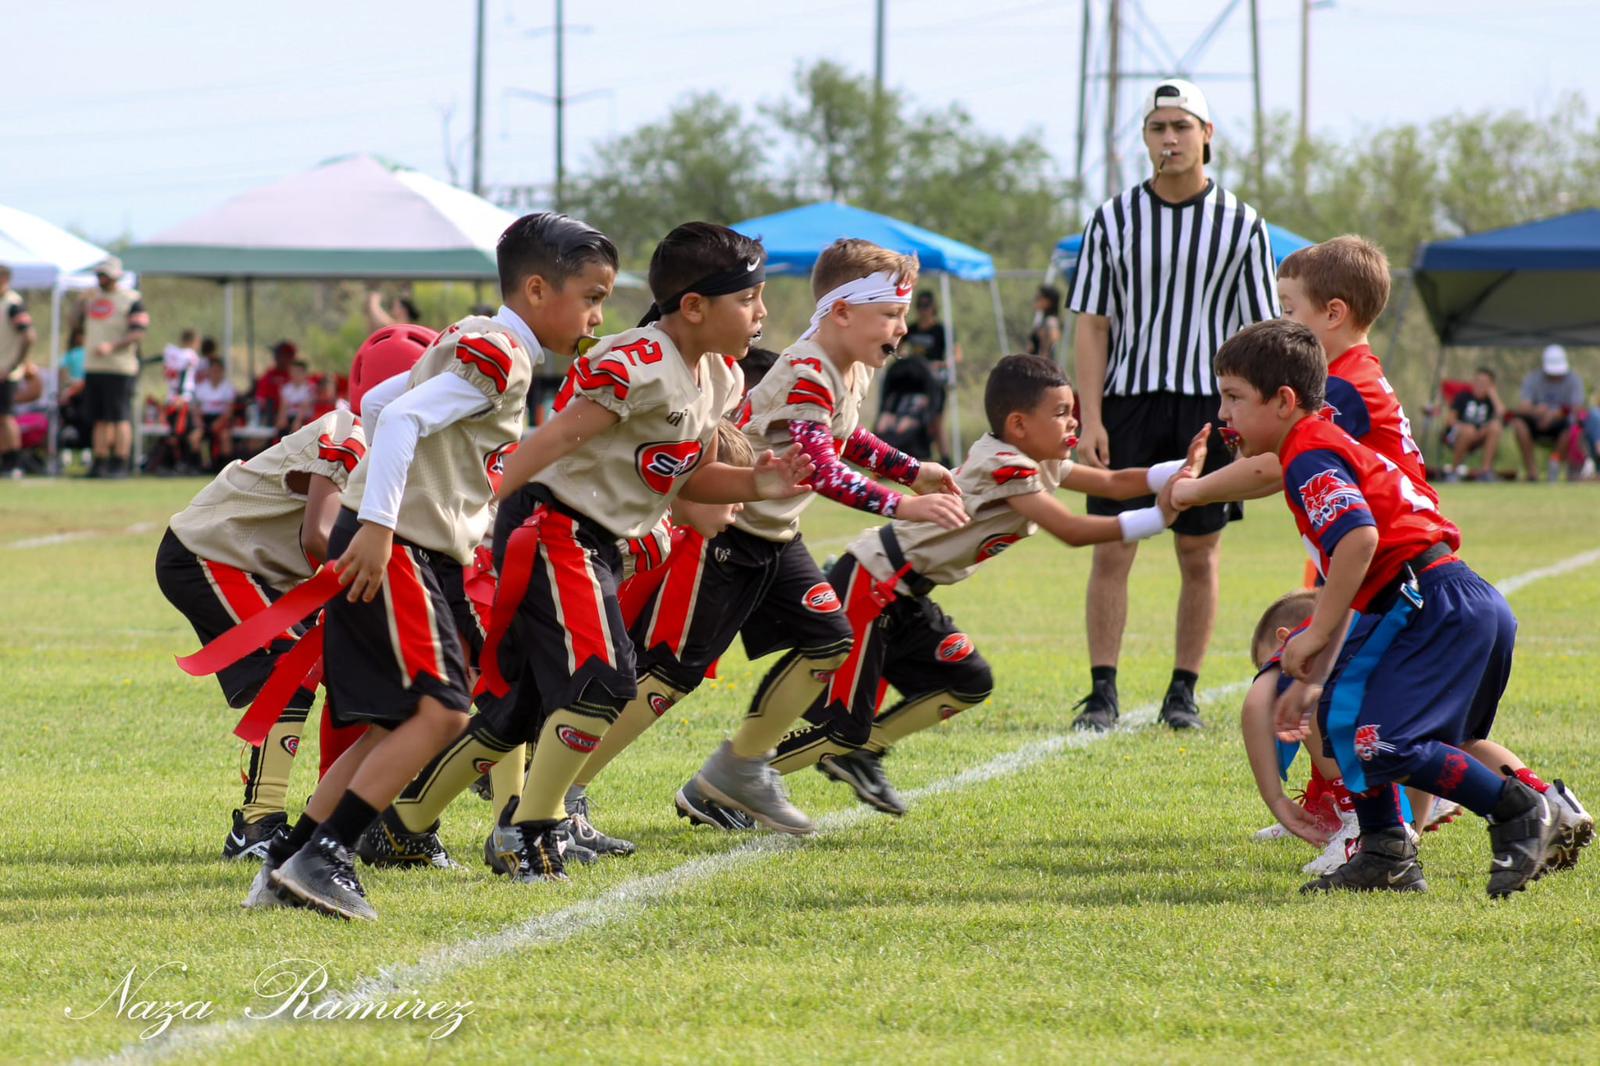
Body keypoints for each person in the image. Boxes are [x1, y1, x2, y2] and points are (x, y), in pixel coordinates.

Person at [252, 213, 620, 920]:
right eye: (592, 297)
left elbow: (378, 401)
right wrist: (381, 522)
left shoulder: (477, 335)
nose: (597, 317)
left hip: (403, 539)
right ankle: (326, 856)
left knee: (392, 723)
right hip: (400, 545)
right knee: (444, 711)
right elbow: (399, 420)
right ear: (537, 290)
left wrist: (394, 502)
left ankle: (286, 863)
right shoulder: (503, 354)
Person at [564, 240, 967, 839]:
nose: (902, 328)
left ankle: (734, 772)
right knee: (668, 676)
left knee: (830, 642)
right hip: (725, 532)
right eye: (890, 314)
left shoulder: (848, 368)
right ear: (842, 312)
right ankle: (563, 793)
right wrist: (905, 503)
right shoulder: (807, 370)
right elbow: (822, 467)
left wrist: (913, 470)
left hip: (775, 537)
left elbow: (847, 437)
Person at [469, 221, 814, 885]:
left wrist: (760, 482)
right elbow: (552, 441)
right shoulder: (639, 362)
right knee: (601, 680)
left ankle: (462, 821)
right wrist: (478, 507)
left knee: (555, 693)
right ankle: (529, 829)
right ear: (695, 306)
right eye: (748, 299)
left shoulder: (720, 377)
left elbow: (688, 479)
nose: (763, 313)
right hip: (553, 521)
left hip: (601, 538)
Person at [1214, 319, 1567, 898]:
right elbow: (1359, 569)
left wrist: (1316, 634)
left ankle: (1519, 808)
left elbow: (1358, 540)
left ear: (1282, 401)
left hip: (1429, 600)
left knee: (1383, 739)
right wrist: (1320, 670)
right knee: (1340, 716)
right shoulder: (1316, 440)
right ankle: (1386, 852)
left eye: (1233, 397)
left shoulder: (1306, 452)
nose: (1223, 414)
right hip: (1439, 596)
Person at [772, 355, 1204, 813]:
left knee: (968, 680)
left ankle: (864, 751)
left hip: (904, 592)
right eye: (1061, 412)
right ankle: (747, 775)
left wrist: (1184, 468)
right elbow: (1072, 531)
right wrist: (1159, 517)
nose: (1073, 421)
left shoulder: (1038, 459)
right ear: (1019, 424)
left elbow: (1115, 483)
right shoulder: (1006, 464)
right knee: (839, 726)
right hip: (874, 581)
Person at [158, 325, 428, 861]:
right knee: (289, 671)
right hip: (212, 553)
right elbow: (319, 537)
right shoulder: (349, 432)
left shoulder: (394, 445)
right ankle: (256, 827)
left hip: (256, 568)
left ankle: (348, 813)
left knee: (345, 672)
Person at [1066, 78, 1279, 733]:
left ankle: (1182, 693)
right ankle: (1102, 693)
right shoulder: (1111, 219)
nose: (1170, 138)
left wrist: (1253, 423)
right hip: (1128, 403)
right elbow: (1092, 324)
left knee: (1198, 552)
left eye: (1182, 126)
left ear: (1207, 135)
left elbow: (1260, 332)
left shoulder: (1243, 224)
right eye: (1158, 127)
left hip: (1208, 411)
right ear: (1144, 137)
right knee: (1113, 548)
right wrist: (1090, 417)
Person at [77, 257, 149, 478]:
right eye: (99, 275)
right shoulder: (92, 299)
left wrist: (113, 346)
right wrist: (80, 302)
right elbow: (74, 324)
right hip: (94, 366)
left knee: (119, 417)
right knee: (99, 417)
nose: (101, 279)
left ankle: (120, 461)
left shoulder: (131, 299)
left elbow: (138, 333)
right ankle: (99, 461)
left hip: (119, 367)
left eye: (105, 275)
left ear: (116, 276)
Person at [1507, 344, 1585, 481]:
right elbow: (1523, 406)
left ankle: (1554, 465)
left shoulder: (1574, 380)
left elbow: (1577, 408)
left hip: (1561, 422)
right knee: (1518, 424)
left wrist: (1554, 415)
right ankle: (1532, 472)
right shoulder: (1533, 378)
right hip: (1536, 421)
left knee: (1571, 429)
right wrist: (1536, 411)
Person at [0, 265, 37, 478]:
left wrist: (14, 365)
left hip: (7, 372)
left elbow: (29, 336)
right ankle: (5, 459)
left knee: (7, 417)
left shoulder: (14, 305)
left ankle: (14, 461)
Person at [1443, 368, 1505, 481]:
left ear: (1491, 386)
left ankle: (1485, 472)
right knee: (1469, 431)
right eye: (1477, 381)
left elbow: (1502, 414)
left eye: (1484, 383)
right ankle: (1454, 471)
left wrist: (1493, 395)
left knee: (1495, 427)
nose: (1480, 385)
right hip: (1457, 435)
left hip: (1479, 435)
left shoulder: (1490, 400)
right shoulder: (1463, 396)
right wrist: (1465, 428)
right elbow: (1450, 420)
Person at [189, 357, 239, 471]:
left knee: (225, 437)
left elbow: (229, 412)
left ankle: (223, 468)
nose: (215, 373)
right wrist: (200, 423)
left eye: (218, 370)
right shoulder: (202, 387)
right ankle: (198, 467)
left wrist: (218, 423)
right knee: (195, 437)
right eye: (213, 370)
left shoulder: (227, 388)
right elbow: (196, 410)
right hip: (206, 419)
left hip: (221, 420)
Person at [253, 341, 298, 426]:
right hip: (272, 415)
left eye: (286, 356)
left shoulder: (295, 376)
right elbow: (261, 399)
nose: (281, 359)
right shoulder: (269, 375)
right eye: (278, 355)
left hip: (292, 415)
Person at [274, 361, 316, 434]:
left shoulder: (310, 387)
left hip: (304, 419)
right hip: (290, 417)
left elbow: (304, 406)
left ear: (304, 373)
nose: (294, 375)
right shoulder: (287, 388)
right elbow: (284, 406)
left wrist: (297, 421)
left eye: (297, 372)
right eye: (293, 372)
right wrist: (281, 418)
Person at [1025, 284, 1063, 361]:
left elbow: (1054, 336)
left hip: (1041, 365)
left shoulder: (1051, 321)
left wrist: (1043, 359)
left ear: (1048, 301)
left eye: (1038, 297)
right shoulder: (1043, 320)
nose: (1035, 300)